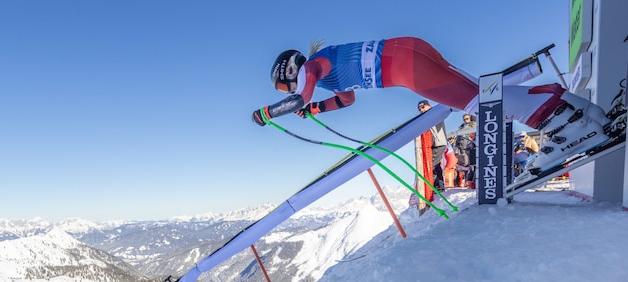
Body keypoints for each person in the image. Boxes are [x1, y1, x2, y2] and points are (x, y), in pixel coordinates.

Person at [252, 37, 612, 181]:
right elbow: (347, 99)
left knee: (480, 101)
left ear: (288, 74)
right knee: (484, 92)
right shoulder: (324, 70)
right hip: (408, 51)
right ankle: (575, 110)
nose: (292, 90)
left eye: (284, 86)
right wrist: (317, 110)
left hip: (406, 67)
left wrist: (268, 114)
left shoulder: (312, 67)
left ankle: (567, 124)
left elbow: (299, 97)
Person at [418, 100, 448, 191]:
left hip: (439, 143)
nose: (421, 110)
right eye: (419, 109)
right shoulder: (426, 117)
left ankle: (436, 186)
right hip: (435, 144)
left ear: (428, 106)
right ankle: (439, 185)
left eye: (423, 107)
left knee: (431, 164)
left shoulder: (434, 113)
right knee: (436, 164)